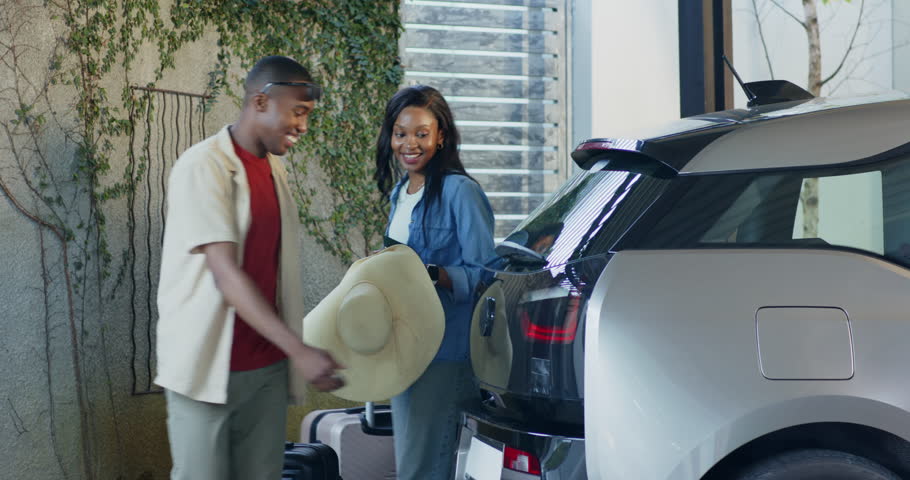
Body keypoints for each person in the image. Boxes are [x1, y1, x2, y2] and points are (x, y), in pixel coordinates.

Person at [155, 55, 343, 480]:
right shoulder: (204, 166)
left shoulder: (274, 171)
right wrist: (300, 350)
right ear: (260, 102)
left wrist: (290, 353)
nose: (303, 126)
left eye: (307, 114)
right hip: (208, 370)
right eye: (298, 111)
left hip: (266, 372)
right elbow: (226, 274)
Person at [374, 85, 499, 479]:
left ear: (441, 136)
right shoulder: (400, 193)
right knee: (413, 462)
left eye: (421, 133)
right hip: (405, 347)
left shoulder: (461, 192)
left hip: (444, 352)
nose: (409, 143)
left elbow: (486, 275)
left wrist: (433, 274)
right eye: (400, 132)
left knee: (424, 467)